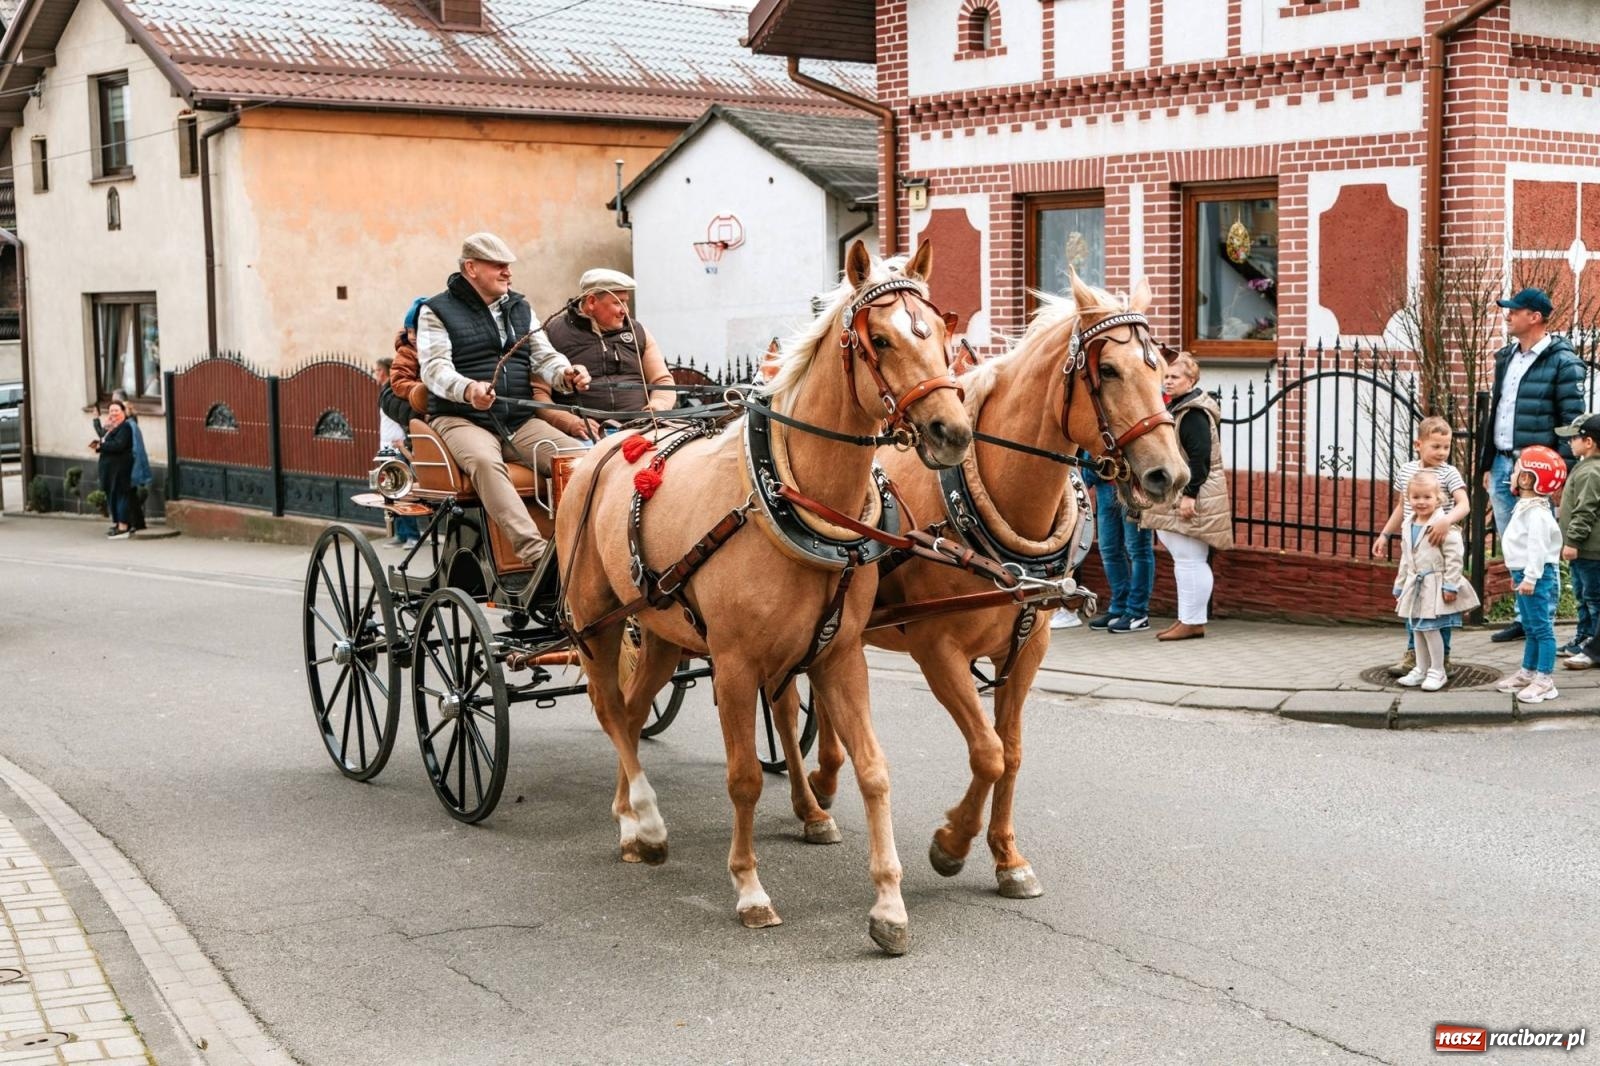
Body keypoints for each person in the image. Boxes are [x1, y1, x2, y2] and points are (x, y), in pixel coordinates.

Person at [418, 232, 590, 566]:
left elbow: (544, 357)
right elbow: (435, 369)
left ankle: (580, 547)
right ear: (471, 267)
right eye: (498, 266)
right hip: (462, 418)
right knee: (484, 462)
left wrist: (566, 375)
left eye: (508, 266)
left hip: (516, 419)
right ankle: (537, 556)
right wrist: (469, 390)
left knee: (581, 458)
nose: (508, 273)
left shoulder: (520, 308)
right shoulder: (436, 310)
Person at [1475, 287, 1585, 644]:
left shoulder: (1562, 361)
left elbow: (1572, 421)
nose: (1507, 315)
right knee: (1513, 544)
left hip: (1537, 474)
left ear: (1534, 317)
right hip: (1506, 466)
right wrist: (1488, 463)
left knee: (1541, 547)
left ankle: (1544, 621)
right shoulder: (1507, 356)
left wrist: (1559, 476)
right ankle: (1526, 618)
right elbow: (1498, 413)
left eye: (1514, 310)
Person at [1140, 351, 1233, 641]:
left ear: (1191, 380)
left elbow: (1200, 458)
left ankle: (1192, 622)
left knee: (1191, 558)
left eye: (1175, 377)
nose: (1167, 381)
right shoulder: (1180, 406)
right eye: (1166, 376)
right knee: (1185, 559)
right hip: (1184, 492)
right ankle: (1187, 619)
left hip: (1193, 494)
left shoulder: (1192, 413)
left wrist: (1190, 496)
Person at [1372, 416, 1471, 677]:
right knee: (1412, 598)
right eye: (1435, 446)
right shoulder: (1407, 471)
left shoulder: (1449, 473)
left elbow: (1464, 504)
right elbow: (1401, 507)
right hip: (1414, 544)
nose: (1442, 452)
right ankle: (1413, 656)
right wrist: (1384, 534)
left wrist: (1445, 522)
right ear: (1419, 444)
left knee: (1438, 604)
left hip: (1438, 542)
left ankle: (1443, 657)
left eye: (1446, 447)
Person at [533, 269, 675, 442]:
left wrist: (657, 407)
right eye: (618, 303)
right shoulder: (552, 333)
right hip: (583, 437)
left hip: (641, 429)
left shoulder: (638, 332)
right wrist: (570, 423)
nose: (625, 311)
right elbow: (539, 394)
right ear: (592, 301)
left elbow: (663, 381)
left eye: (626, 302)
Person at [1391, 471, 1480, 691]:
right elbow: (1406, 557)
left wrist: (1451, 585)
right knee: (1418, 629)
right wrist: (1400, 583)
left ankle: (1437, 670)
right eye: (1416, 497)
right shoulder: (1408, 524)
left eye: (1427, 497)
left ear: (1438, 498)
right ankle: (1421, 669)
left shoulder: (1443, 525)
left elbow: (1454, 557)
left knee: (1431, 629)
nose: (1421, 502)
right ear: (1409, 499)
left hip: (1435, 584)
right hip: (1415, 585)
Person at [1493, 446, 1567, 703]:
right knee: (1531, 627)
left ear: (1526, 478)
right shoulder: (1526, 506)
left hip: (1536, 576)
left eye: (1516, 471)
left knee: (1542, 630)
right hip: (1524, 575)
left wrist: (1530, 578)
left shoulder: (1536, 512)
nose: (1512, 475)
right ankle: (1527, 672)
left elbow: (1538, 548)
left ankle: (1545, 680)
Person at [1082, 459, 1154, 633]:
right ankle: (1119, 608)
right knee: (1108, 550)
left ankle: (1137, 612)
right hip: (1104, 484)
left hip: (1132, 486)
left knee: (1137, 550)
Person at [1556, 413, 1600, 669]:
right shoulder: (1586, 467)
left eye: (1574, 437)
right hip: (1584, 551)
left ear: (1589, 442)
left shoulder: (1591, 472)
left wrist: (1572, 541)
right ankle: (1583, 639)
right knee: (1584, 598)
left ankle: (1593, 646)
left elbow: (1586, 511)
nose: (1570, 442)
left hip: (1588, 551)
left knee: (1593, 600)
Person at [374, 356, 420, 548]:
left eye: (376, 371)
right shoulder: (385, 393)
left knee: (402, 491)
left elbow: (403, 417)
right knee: (392, 492)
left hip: (397, 449)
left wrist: (405, 443)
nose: (375, 374)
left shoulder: (393, 393)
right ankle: (401, 533)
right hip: (387, 449)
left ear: (383, 372)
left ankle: (412, 535)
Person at [90, 399, 135, 539]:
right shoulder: (111, 428)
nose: (113, 413)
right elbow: (102, 437)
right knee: (112, 496)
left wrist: (101, 446)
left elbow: (119, 445)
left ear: (123, 412)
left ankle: (124, 526)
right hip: (109, 469)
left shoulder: (125, 427)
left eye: (116, 410)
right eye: (111, 411)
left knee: (121, 495)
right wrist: (97, 422)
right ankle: (117, 523)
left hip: (120, 468)